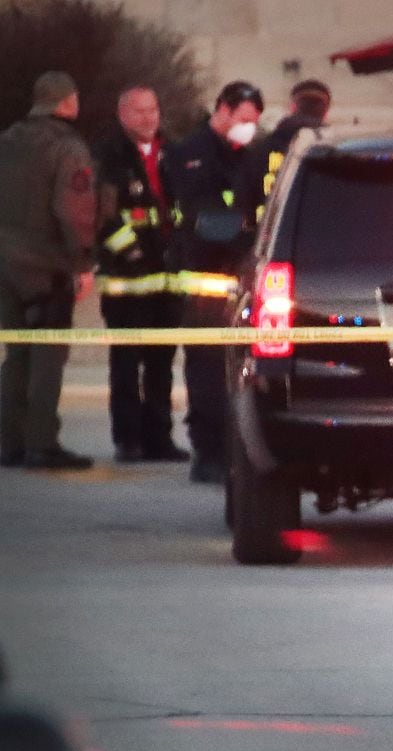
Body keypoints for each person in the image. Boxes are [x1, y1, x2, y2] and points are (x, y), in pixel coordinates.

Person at [164, 80, 263, 484]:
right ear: (222, 109)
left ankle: (237, 449)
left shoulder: (252, 155)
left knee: (244, 373)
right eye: (243, 120)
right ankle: (207, 453)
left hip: (243, 281)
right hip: (206, 282)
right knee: (206, 372)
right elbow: (202, 216)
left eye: (254, 122)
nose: (248, 128)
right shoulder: (191, 155)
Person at [0, 71, 96, 471]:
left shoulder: (7, 141)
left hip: (5, 265)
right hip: (47, 267)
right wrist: (84, 262)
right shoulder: (67, 148)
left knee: (16, 353)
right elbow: (74, 211)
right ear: (68, 102)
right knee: (47, 356)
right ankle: (42, 442)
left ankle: (9, 442)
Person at [94, 85, 188, 463]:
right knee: (126, 363)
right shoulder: (107, 155)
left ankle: (159, 439)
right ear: (123, 115)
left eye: (153, 110)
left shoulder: (174, 153)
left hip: (167, 278)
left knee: (162, 365)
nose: (149, 118)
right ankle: (128, 441)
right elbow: (101, 215)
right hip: (126, 280)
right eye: (140, 111)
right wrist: (129, 251)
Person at [232, 79, 330, 233]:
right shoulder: (336, 155)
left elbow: (241, 203)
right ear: (326, 111)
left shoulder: (259, 151)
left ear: (292, 107)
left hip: (267, 241)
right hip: (324, 240)